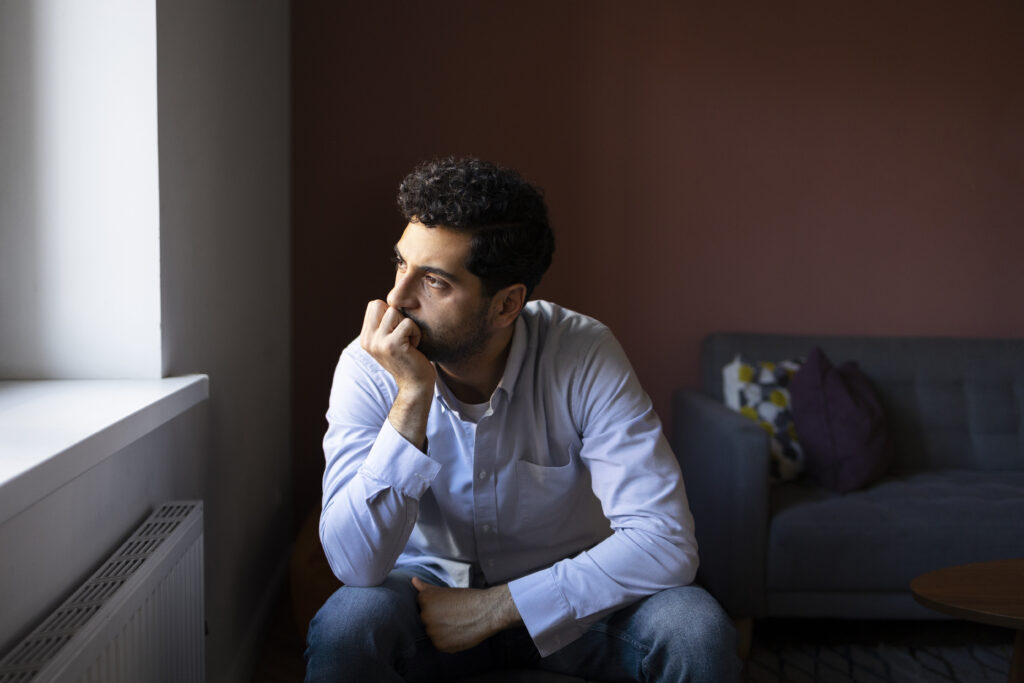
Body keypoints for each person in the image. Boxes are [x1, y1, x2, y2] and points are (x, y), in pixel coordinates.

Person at [305, 157, 740, 682]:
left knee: (696, 629)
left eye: (435, 282)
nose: (396, 299)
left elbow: (665, 540)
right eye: (401, 265)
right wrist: (412, 399)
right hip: (426, 600)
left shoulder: (582, 353)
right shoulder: (368, 365)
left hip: (578, 603)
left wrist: (497, 607)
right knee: (345, 628)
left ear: (508, 304)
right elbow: (356, 567)